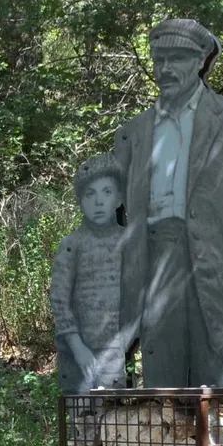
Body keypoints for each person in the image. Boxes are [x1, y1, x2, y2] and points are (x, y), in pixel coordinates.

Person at [100, 18, 223, 387]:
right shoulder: (132, 134)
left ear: (201, 60)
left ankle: (219, 445)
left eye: (178, 58)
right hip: (153, 264)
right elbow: (118, 218)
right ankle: (165, 443)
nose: (166, 69)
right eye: (158, 60)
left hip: (220, 263)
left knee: (216, 382)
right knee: (163, 382)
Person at [49, 162, 136, 394]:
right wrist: (77, 347)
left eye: (107, 192)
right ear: (81, 202)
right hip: (79, 353)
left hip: (116, 351)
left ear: (118, 199)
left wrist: (126, 343)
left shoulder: (130, 243)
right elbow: (59, 299)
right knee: (83, 419)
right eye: (90, 194)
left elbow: (141, 294)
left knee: (117, 422)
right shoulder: (72, 245)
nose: (98, 202)